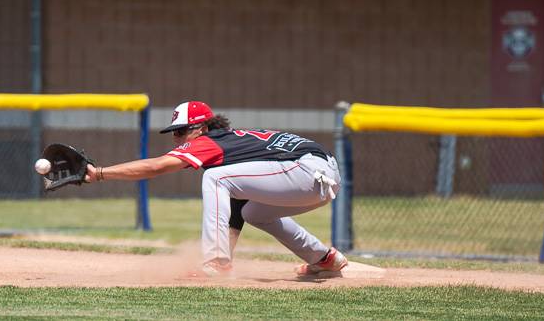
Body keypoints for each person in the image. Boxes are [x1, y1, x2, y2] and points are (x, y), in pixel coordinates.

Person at [84, 100, 348, 277]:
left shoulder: (211, 141)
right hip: (319, 174)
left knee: (215, 178)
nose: (177, 138)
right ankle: (324, 259)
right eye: (174, 132)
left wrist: (101, 173)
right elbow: (236, 207)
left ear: (203, 128)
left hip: (306, 170)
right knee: (253, 212)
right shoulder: (234, 143)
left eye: (182, 130)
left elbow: (157, 166)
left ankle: (217, 261)